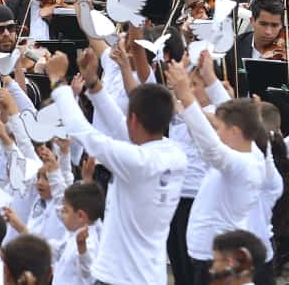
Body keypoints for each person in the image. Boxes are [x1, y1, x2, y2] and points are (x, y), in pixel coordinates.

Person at [46, 52, 188, 284]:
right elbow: (121, 127)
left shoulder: (136, 162)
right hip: (151, 277)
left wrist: (57, 81)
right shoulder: (175, 155)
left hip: (119, 278)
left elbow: (81, 130)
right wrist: (93, 83)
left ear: (133, 118)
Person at [164, 62, 283, 285]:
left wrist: (187, 97)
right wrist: (210, 77)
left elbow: (209, 145)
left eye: (220, 128)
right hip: (209, 252)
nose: (216, 131)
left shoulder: (242, 164)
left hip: (215, 258)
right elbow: (231, 112)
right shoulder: (253, 150)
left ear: (235, 132)